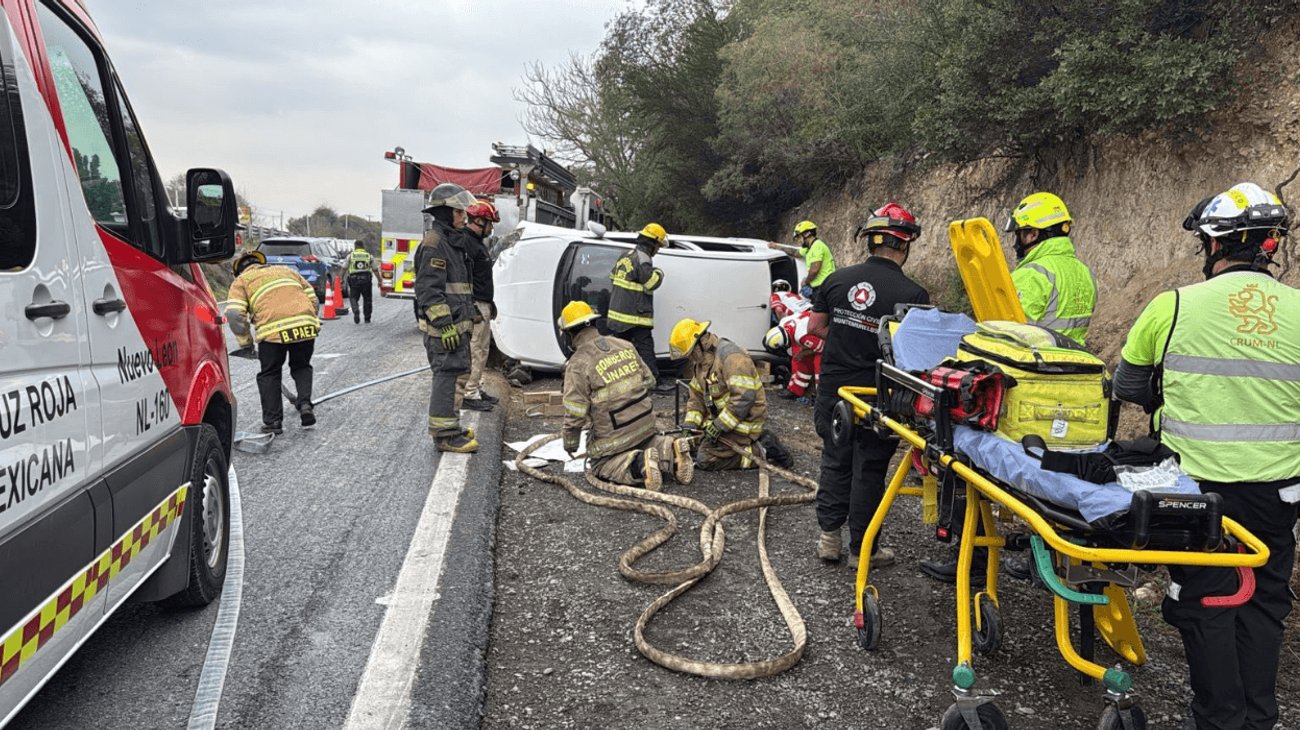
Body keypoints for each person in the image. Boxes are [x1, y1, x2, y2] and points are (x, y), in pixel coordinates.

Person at [1114, 182, 1298, 730]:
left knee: (1207, 602)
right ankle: (1258, 719)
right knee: (1264, 602)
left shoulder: (1173, 306)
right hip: (1279, 490)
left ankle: (1218, 719)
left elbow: (1127, 384)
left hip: (1196, 492)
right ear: (1269, 246)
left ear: (1215, 245)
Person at [809, 203, 928, 566]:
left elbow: (815, 328)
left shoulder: (836, 281)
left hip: (835, 390)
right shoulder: (915, 295)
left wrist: (846, 334)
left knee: (835, 460)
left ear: (870, 241)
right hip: (881, 395)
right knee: (870, 470)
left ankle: (829, 540)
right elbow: (912, 353)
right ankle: (865, 550)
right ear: (905, 246)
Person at [559, 300, 694, 490]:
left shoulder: (578, 363)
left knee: (601, 464)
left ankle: (639, 464)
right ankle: (671, 450)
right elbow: (649, 381)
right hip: (645, 423)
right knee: (648, 442)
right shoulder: (624, 345)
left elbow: (575, 413)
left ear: (569, 333)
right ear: (595, 323)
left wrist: (570, 445)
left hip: (615, 432)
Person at [225, 250, 321, 434]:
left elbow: (234, 314)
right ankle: (305, 405)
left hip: (272, 332)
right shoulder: (287, 271)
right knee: (301, 366)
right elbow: (313, 299)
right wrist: (308, 319)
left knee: (269, 374)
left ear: (239, 270)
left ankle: (273, 422)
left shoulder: (242, 281)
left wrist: (246, 342)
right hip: (305, 325)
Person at [415, 182, 480, 453]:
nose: (463, 216)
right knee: (446, 377)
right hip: (444, 330)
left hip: (455, 326)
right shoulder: (435, 245)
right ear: (444, 214)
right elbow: (429, 292)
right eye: (458, 212)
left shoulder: (451, 243)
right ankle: (444, 436)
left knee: (456, 375)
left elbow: (458, 288)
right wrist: (445, 326)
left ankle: (450, 426)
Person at [671, 318, 768, 471]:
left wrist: (719, 426)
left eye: (690, 353)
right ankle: (750, 444)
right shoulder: (702, 364)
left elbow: (743, 399)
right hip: (724, 421)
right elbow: (696, 397)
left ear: (701, 343)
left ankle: (763, 450)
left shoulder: (732, 358)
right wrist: (691, 425)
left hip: (745, 423)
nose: (690, 359)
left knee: (706, 459)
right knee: (689, 447)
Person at [1004, 192, 1097, 346]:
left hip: (1037, 364)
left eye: (1019, 234)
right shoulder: (1086, 273)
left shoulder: (1030, 274)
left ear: (1033, 234)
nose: (1016, 243)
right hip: (1076, 363)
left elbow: (1011, 334)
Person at [607, 223, 673, 392]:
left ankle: (618, 383)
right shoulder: (643, 259)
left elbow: (612, 277)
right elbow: (651, 283)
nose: (658, 250)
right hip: (634, 315)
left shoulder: (626, 255)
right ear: (652, 244)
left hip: (617, 314)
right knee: (645, 348)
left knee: (619, 352)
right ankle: (654, 382)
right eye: (658, 246)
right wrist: (659, 273)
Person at [457, 199, 501, 412]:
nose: (491, 228)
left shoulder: (476, 244)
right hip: (474, 305)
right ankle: (469, 392)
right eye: (489, 223)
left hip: (482, 303)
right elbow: (464, 278)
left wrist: (489, 302)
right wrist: (471, 306)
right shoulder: (466, 243)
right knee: (475, 349)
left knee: (481, 349)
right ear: (478, 220)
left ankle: (474, 387)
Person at [765, 308, 822, 404]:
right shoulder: (784, 323)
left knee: (820, 364)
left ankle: (822, 396)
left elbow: (822, 347)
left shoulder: (801, 336)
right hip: (812, 322)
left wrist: (803, 352)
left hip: (827, 329)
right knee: (798, 358)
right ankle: (796, 390)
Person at [770, 220, 836, 299]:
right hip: (820, 287)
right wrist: (777, 247)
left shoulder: (817, 246)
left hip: (824, 287)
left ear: (807, 234)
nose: (799, 241)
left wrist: (805, 281)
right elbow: (796, 253)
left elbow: (814, 270)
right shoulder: (808, 248)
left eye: (799, 237)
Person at [345, 240, 379, 324]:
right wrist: (380, 280)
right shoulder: (369, 256)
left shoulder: (350, 256)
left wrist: (341, 278)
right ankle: (367, 318)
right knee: (367, 299)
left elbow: (344, 267)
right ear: (363, 246)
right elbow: (375, 269)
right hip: (366, 280)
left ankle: (356, 309)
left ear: (355, 246)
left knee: (353, 297)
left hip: (354, 280)